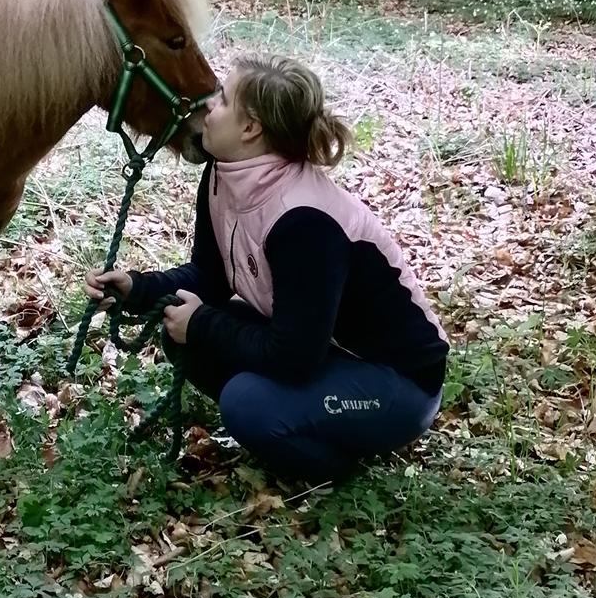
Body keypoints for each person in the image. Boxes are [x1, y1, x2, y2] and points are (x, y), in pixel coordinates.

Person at [85, 55, 448, 485]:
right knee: (183, 327)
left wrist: (202, 324)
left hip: (399, 383)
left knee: (246, 402)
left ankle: (335, 465)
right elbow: (209, 277)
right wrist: (137, 288)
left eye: (221, 98)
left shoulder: (305, 222)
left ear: (250, 128)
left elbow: (293, 357)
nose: (207, 107)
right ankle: (299, 424)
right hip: (322, 350)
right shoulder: (223, 174)